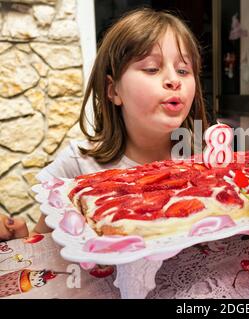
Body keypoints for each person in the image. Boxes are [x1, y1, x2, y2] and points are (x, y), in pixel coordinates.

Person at [0, 8, 208, 241]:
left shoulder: (206, 157)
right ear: (113, 90)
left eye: (183, 70)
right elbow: (43, 241)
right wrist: (19, 239)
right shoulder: (76, 166)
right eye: (152, 68)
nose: (173, 80)